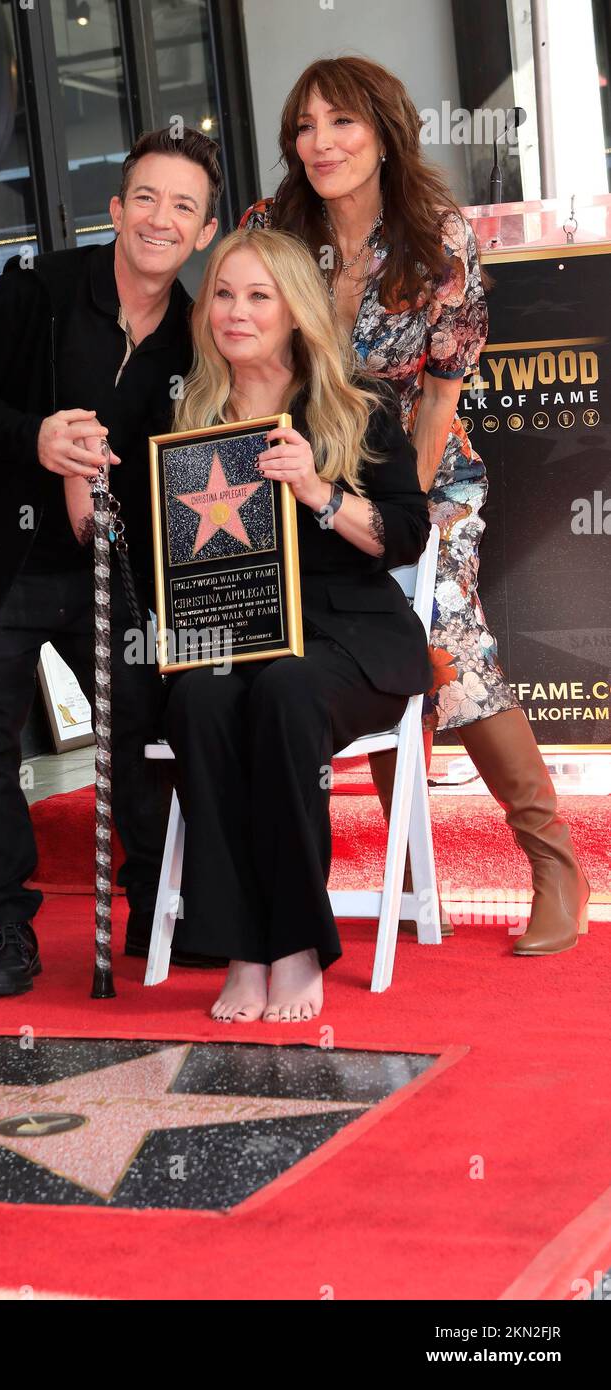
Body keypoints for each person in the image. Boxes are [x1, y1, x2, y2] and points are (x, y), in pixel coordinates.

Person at [240, 56, 589, 956]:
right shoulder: (272, 226)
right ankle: (402, 865)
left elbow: (437, 401)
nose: (320, 143)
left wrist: (393, 518)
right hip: (293, 472)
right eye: (305, 126)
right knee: (357, 638)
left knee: (440, 630)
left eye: (342, 123)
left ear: (387, 129)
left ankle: (552, 860)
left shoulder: (439, 239)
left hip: (421, 479)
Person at [0, 127, 221, 998]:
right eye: (148, 199)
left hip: (110, 570)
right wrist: (36, 438)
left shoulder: (200, 341)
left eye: (184, 208)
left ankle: (151, 911)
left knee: (138, 733)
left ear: (203, 232)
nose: (162, 220)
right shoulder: (39, 293)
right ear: (119, 209)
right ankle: (7, 929)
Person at [164, 227, 431, 1022]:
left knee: (286, 690)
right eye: (222, 293)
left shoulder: (355, 405)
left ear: (295, 310)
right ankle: (243, 946)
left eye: (257, 296)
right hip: (240, 638)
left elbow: (407, 536)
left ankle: (299, 942)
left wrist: (318, 493)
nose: (235, 312)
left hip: (352, 641)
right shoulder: (193, 412)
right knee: (199, 699)